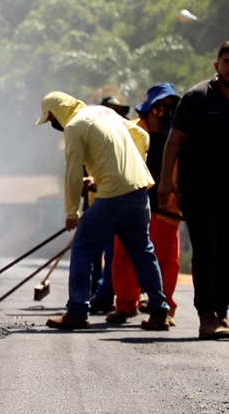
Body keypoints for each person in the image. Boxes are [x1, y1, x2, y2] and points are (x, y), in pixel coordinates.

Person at [36, 91, 170, 330]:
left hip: (112, 197)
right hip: (139, 191)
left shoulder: (75, 127)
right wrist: (131, 167)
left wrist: (71, 214)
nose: (53, 125)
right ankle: (159, 311)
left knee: (83, 248)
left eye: (51, 119)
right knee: (143, 252)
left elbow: (73, 174)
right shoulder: (105, 112)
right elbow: (141, 135)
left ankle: (77, 311)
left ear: (58, 112)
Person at [158, 41, 229, 339]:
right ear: (217, 65)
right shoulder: (197, 97)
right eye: (227, 60)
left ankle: (221, 314)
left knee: (226, 251)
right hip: (199, 188)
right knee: (206, 249)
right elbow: (173, 141)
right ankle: (206, 315)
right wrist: (165, 181)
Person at [105, 83, 182, 328]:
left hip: (167, 205)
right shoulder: (132, 131)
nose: (164, 110)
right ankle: (125, 305)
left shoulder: (179, 135)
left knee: (167, 260)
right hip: (133, 201)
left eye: (170, 106)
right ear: (149, 107)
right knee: (124, 255)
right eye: (160, 104)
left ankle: (164, 309)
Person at [89, 96, 131, 313]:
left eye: (118, 111)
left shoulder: (129, 133)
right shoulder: (94, 136)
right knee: (97, 250)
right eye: (110, 110)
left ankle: (107, 294)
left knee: (117, 251)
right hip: (98, 202)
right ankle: (98, 291)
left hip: (121, 200)